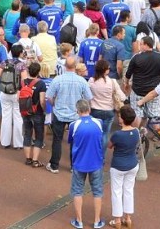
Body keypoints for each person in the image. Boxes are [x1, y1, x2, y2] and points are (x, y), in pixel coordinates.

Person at [45, 56, 92, 174]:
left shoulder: (57, 79)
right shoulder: (82, 81)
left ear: (65, 66)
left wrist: (54, 104)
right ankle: (73, 166)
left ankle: (54, 165)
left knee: (57, 140)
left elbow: (49, 96)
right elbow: (89, 98)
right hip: (75, 115)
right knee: (75, 142)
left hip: (59, 113)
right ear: (75, 66)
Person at [67, 99, 105, 229]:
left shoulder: (74, 125)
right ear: (89, 109)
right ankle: (97, 221)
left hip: (79, 163)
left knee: (77, 191)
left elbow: (71, 140)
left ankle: (79, 221)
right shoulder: (99, 122)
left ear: (77, 110)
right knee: (97, 192)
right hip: (96, 162)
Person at [108, 105, 139, 229]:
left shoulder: (117, 134)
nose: (118, 117)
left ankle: (117, 220)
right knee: (128, 190)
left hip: (118, 166)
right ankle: (128, 218)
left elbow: (109, 145)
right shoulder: (136, 131)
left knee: (116, 192)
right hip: (132, 165)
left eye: (119, 116)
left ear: (122, 119)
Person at [0, 43, 27, 149]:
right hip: (17, 93)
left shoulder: (4, 62)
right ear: (20, 53)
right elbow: (24, 80)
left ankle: (5, 142)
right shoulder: (21, 65)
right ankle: (18, 143)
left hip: (4, 92)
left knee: (6, 117)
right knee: (18, 118)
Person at [88, 60, 125, 149]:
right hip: (109, 110)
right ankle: (102, 157)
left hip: (94, 110)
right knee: (105, 134)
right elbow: (122, 97)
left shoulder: (91, 81)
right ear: (105, 70)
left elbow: (87, 95)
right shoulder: (112, 82)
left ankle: (94, 154)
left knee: (94, 133)